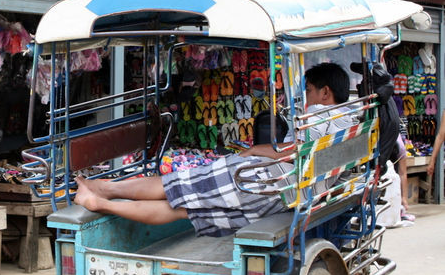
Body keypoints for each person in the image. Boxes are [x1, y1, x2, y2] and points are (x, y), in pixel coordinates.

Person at [74, 62, 354, 237]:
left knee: (175, 186)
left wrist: (253, 150)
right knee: (182, 210)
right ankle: (101, 200)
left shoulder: (321, 115)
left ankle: (103, 190)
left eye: (309, 91)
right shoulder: (350, 120)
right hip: (282, 198)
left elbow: (292, 153)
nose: (307, 98)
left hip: (262, 185)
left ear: (324, 93)